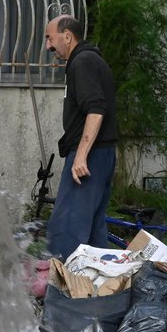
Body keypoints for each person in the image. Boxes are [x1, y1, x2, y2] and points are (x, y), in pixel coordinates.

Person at [44, 15, 118, 261]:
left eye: (50, 38)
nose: (48, 46)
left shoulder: (82, 62)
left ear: (68, 36)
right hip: (102, 154)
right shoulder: (89, 59)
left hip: (91, 156)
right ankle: (103, 290)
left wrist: (82, 156)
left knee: (67, 227)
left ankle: (62, 293)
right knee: (94, 231)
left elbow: (96, 109)